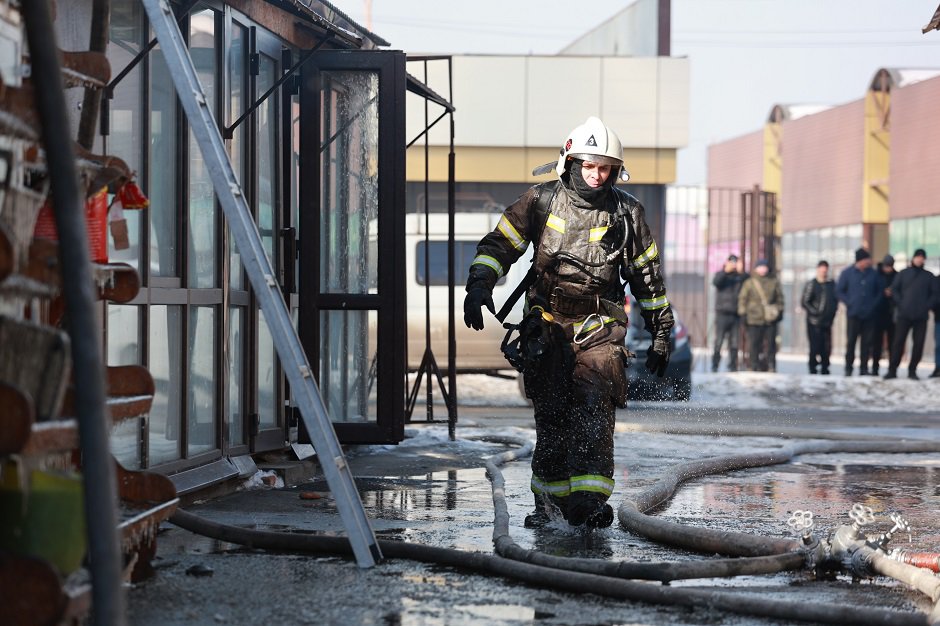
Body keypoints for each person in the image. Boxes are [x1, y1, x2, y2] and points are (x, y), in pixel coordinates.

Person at [463, 117, 674, 529]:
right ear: (570, 161)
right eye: (590, 165)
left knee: (594, 408)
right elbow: (499, 245)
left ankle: (589, 502)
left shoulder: (627, 212)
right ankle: (550, 506)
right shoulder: (540, 200)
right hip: (547, 323)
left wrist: (661, 330)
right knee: (553, 413)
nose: (597, 175)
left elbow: (647, 275)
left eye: (606, 168)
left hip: (600, 325)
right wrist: (479, 284)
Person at [885, 249, 935, 380]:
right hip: (904, 315)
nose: (919, 259)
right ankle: (892, 370)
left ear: (924, 260)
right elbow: (894, 289)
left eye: (922, 257)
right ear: (913, 258)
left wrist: (926, 306)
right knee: (898, 343)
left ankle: (912, 370)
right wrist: (901, 303)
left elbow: (935, 294)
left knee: (918, 344)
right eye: (918, 257)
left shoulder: (929, 276)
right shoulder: (903, 273)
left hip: (921, 316)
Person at [835, 248, 881, 376]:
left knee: (867, 343)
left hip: (869, 315)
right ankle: (848, 368)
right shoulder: (847, 273)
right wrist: (849, 302)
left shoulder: (873, 274)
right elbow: (839, 291)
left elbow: (879, 292)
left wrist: (873, 305)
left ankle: (864, 368)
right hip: (853, 314)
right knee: (851, 342)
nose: (868, 262)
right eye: (866, 259)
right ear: (860, 261)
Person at [737, 259, 783, 372]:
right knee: (754, 344)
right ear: (756, 269)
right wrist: (742, 313)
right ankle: (753, 365)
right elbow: (742, 299)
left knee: (771, 344)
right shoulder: (750, 282)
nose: (762, 269)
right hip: (753, 318)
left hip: (770, 318)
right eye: (760, 267)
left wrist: (779, 312)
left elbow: (780, 299)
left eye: (764, 267)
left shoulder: (773, 282)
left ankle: (771, 365)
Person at [711, 254, 747, 372]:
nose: (733, 264)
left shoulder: (740, 277)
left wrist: (741, 271)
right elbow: (716, 282)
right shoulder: (721, 274)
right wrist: (725, 271)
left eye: (735, 262)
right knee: (719, 342)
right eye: (731, 262)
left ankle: (732, 366)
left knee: (734, 343)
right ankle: (715, 365)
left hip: (735, 314)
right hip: (722, 313)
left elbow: (748, 281)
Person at [801, 260, 837, 375]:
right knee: (814, 345)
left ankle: (825, 366)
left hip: (827, 321)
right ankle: (813, 366)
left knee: (826, 346)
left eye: (825, 270)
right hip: (814, 321)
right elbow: (805, 301)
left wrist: (831, 313)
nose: (823, 272)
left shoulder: (831, 284)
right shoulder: (812, 284)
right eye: (821, 269)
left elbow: (834, 300)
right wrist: (815, 312)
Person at [870, 254, 897, 376]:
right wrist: (882, 293)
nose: (888, 269)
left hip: (891, 313)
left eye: (890, 266)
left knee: (892, 343)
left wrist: (892, 294)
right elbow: (872, 291)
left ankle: (892, 369)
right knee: (877, 343)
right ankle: (875, 368)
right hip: (878, 313)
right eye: (887, 266)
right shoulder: (876, 275)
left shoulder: (896, 276)